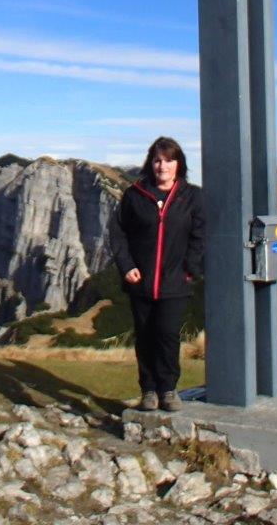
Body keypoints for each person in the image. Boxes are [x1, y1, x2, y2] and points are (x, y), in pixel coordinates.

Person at [108, 136, 206, 412]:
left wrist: (189, 269)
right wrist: (126, 266)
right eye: (157, 160)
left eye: (169, 160)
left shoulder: (192, 196)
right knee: (145, 335)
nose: (162, 166)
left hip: (175, 282)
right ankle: (149, 390)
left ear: (179, 164)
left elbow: (200, 235)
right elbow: (118, 233)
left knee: (167, 334)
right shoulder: (135, 195)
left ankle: (168, 389)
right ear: (150, 163)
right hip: (140, 282)